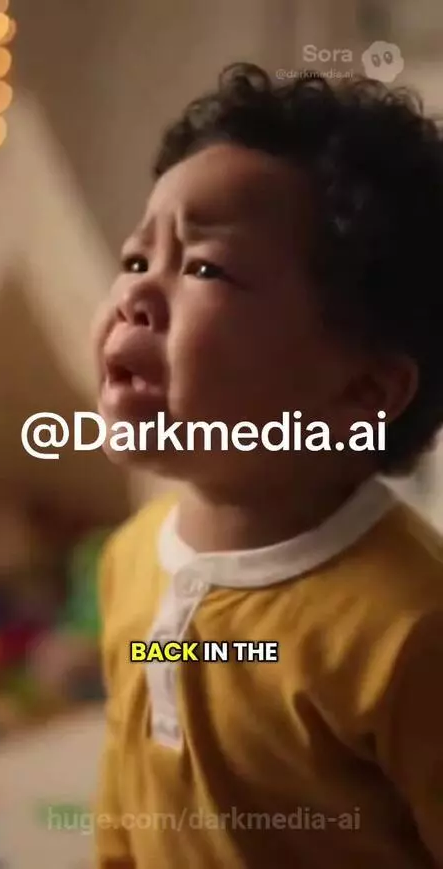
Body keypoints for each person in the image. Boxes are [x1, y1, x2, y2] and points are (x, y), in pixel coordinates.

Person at [93, 63, 443, 868]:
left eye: (205, 267)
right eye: (136, 257)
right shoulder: (129, 564)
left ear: (361, 389)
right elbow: (125, 813)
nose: (137, 294)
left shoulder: (411, 631)